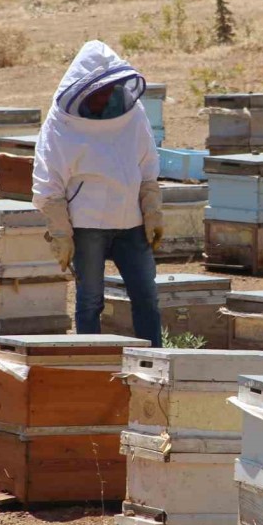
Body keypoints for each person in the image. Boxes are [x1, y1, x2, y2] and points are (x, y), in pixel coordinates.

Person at [31, 40, 164, 347]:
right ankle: (90, 361)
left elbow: (147, 163)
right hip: (87, 225)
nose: (104, 97)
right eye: (97, 92)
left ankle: (155, 362)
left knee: (146, 296)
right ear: (81, 90)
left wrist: (152, 208)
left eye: (109, 89)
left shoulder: (132, 114)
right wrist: (61, 233)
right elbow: (49, 182)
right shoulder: (61, 123)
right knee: (90, 301)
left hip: (131, 223)